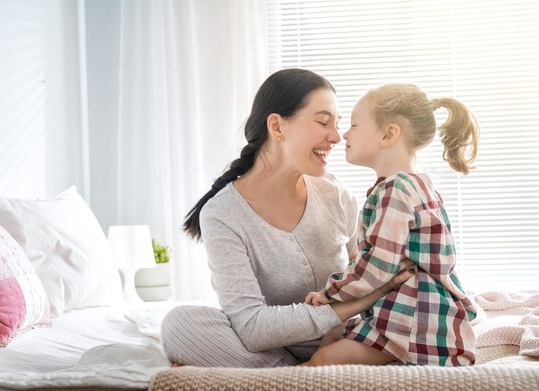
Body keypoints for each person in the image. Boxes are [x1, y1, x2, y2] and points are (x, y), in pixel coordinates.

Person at [160, 69, 415, 368]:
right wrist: (351, 306)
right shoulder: (222, 214)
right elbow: (252, 327)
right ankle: (296, 376)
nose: (335, 137)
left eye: (338, 125)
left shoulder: (336, 195)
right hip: (272, 349)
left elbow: (367, 276)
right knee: (179, 324)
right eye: (323, 122)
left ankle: (286, 380)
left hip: (344, 342)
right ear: (277, 126)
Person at [301, 83, 479, 367]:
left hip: (416, 323)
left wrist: (330, 293)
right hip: (421, 316)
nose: (344, 134)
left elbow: (378, 265)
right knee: (332, 333)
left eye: (355, 125)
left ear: (388, 134)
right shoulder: (419, 184)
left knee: (324, 358)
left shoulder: (396, 190)